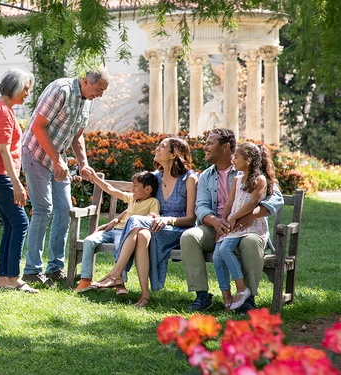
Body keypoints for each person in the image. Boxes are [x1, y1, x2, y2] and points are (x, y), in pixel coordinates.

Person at [180, 128, 284, 314]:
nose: (205, 147)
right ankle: (202, 296)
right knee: (189, 237)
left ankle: (248, 299)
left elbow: (276, 198)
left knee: (251, 242)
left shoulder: (249, 171)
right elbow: (201, 206)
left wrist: (251, 215)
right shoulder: (205, 176)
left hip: (246, 228)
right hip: (216, 227)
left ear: (226, 146)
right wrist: (215, 221)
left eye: (210, 143)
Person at [21, 68, 110, 285]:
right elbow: (38, 126)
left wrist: (83, 163)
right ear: (85, 81)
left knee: (64, 210)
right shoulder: (60, 90)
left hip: (56, 158)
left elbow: (77, 135)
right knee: (44, 210)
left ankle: (55, 269)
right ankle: (32, 271)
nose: (100, 95)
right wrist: (56, 159)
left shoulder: (87, 100)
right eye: (98, 89)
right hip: (35, 153)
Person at [94, 137, 198, 307]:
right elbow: (136, 204)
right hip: (152, 227)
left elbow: (191, 218)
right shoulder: (155, 178)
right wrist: (116, 220)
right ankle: (144, 296)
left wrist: (167, 220)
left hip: (178, 229)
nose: (157, 149)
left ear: (174, 154)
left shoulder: (189, 179)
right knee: (142, 234)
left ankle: (116, 274)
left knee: (136, 222)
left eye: (162, 146)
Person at [0, 68, 38, 293]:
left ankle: (3, 279)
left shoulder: (2, 108)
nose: (26, 94)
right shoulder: (2, 111)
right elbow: (3, 149)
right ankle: (13, 278)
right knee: (21, 222)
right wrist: (17, 184)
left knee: (11, 224)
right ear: (14, 88)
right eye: (25, 90)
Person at [213, 142, 278, 311]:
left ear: (248, 160)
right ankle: (227, 296)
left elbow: (252, 203)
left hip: (251, 226)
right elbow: (229, 203)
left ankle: (242, 289)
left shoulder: (260, 180)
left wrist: (234, 218)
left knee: (225, 249)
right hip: (234, 225)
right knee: (217, 255)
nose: (232, 160)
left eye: (236, 157)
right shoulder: (236, 179)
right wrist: (224, 221)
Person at [74, 171, 160, 293]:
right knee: (89, 240)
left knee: (122, 245)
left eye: (135, 186)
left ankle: (120, 282)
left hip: (127, 233)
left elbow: (153, 217)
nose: (132, 188)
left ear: (148, 189)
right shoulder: (132, 198)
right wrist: (94, 178)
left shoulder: (153, 202)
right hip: (113, 230)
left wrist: (152, 216)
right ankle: (86, 279)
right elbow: (110, 190)